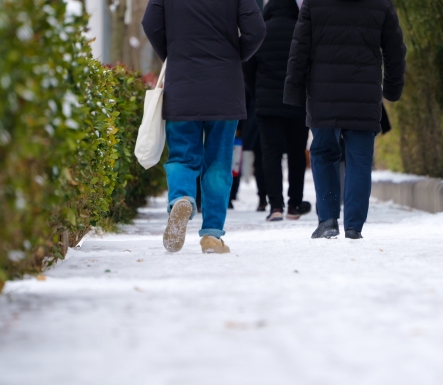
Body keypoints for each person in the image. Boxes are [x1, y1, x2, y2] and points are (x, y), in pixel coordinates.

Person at [142, 0, 266, 254]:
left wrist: (173, 53)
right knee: (219, 161)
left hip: (182, 85)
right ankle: (211, 235)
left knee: (182, 155)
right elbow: (256, 30)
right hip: (225, 87)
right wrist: (234, 56)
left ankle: (182, 198)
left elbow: (150, 23)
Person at [283, 0, 406, 239]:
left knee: (323, 153)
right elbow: (395, 50)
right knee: (359, 160)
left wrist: (293, 91)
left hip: (323, 94)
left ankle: (328, 220)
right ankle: (354, 226)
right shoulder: (380, 4)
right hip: (364, 94)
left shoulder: (313, 4)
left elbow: (299, 50)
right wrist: (392, 89)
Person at [246, 0, 312, 222]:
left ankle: (275, 206)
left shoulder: (260, 32)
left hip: (266, 104)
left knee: (270, 155)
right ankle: (294, 204)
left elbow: (248, 67)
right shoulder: (302, 30)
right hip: (297, 104)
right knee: (297, 154)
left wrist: (257, 94)